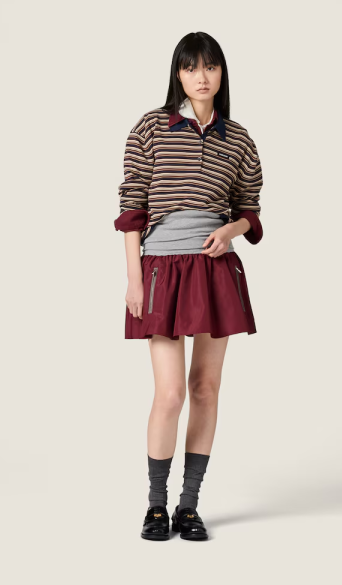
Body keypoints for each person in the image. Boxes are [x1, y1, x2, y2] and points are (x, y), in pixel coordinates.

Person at [114, 32, 264, 541]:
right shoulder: (151, 127)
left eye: (211, 67)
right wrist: (134, 279)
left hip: (214, 269)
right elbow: (132, 206)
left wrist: (231, 231)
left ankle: (189, 506)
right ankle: (156, 506)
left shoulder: (237, 138)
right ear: (177, 74)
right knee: (171, 393)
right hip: (161, 269)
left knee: (205, 388)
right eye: (191, 67)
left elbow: (249, 207)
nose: (202, 77)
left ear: (222, 74)